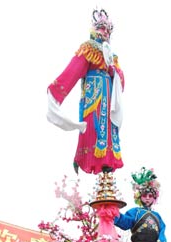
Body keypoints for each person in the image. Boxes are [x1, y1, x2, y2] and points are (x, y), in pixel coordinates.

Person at [47, 8, 124, 175]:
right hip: (94, 93)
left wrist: (113, 71)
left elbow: (121, 81)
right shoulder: (89, 48)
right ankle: (87, 158)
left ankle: (108, 161)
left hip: (108, 95)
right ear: (95, 29)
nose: (105, 33)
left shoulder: (112, 56)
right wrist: (57, 88)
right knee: (93, 126)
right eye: (102, 29)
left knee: (109, 128)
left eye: (108, 31)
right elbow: (74, 70)